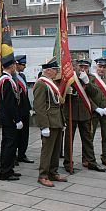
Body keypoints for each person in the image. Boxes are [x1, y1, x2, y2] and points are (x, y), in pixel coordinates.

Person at [63, 59, 106, 173]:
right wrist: (67, 93)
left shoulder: (91, 78)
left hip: (85, 113)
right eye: (81, 66)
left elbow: (95, 94)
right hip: (71, 113)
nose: (82, 69)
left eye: (85, 67)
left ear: (89, 68)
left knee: (87, 139)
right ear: (77, 67)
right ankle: (68, 163)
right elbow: (61, 92)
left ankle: (91, 162)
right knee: (69, 140)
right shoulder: (71, 77)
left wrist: (87, 82)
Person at [33, 57, 67, 187]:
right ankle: (43, 175)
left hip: (57, 121)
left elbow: (57, 104)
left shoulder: (50, 82)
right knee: (47, 150)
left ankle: (53, 172)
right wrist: (44, 126)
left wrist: (61, 121)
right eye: (55, 69)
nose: (56, 71)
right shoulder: (41, 84)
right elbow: (39, 107)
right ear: (48, 70)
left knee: (56, 149)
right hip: (49, 122)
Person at [0, 56, 23, 180]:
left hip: (6, 118)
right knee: (9, 146)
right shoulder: (6, 81)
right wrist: (17, 119)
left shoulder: (4, 79)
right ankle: (5, 172)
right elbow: (9, 103)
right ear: (12, 66)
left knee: (8, 145)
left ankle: (9, 169)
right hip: (9, 119)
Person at [14, 55, 34, 164]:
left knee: (24, 134)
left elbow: (25, 95)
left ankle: (22, 154)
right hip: (17, 110)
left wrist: (29, 108)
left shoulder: (22, 76)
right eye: (22, 64)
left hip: (25, 109)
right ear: (16, 64)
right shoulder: (11, 77)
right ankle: (14, 155)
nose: (24, 66)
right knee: (16, 135)